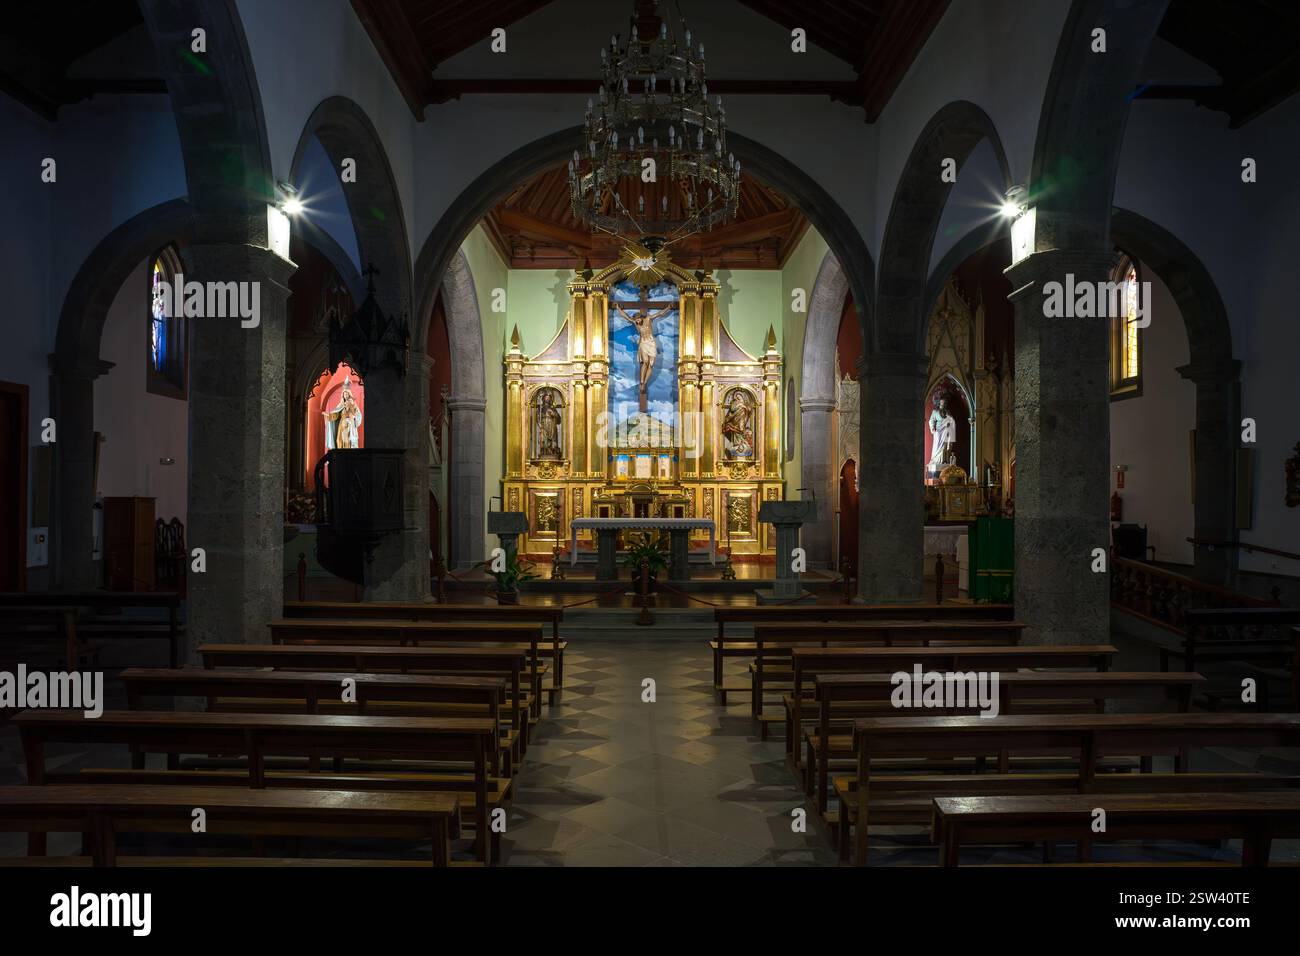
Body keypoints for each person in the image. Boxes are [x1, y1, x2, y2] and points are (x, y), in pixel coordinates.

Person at [927, 396, 955, 472]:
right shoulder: (935, 411)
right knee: (937, 445)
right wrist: (933, 428)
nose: (943, 403)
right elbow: (931, 420)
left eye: (945, 402)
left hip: (946, 430)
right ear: (939, 402)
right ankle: (936, 460)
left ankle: (943, 460)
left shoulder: (947, 412)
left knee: (945, 445)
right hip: (938, 431)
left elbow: (951, 420)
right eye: (942, 401)